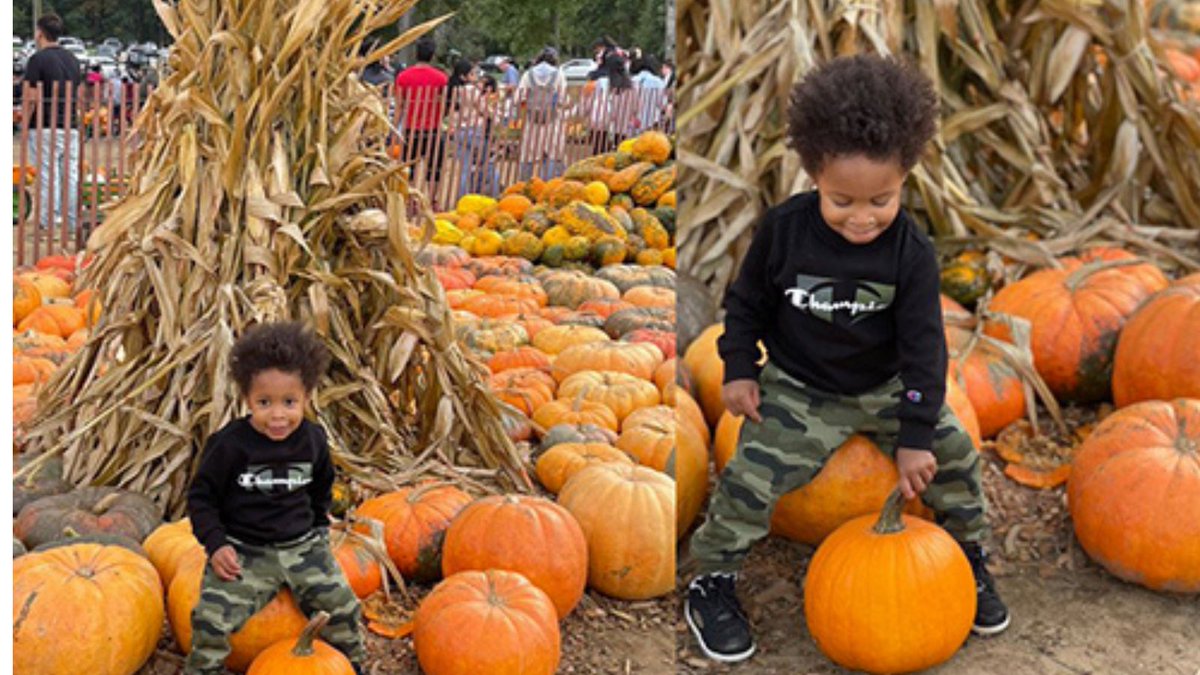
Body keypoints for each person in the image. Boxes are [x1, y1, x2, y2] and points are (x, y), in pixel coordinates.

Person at [683, 54, 1010, 663]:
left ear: (906, 176)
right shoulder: (783, 232)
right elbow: (746, 303)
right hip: (802, 388)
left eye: (880, 200)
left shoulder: (910, 252)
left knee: (959, 455)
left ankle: (969, 557)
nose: (862, 219)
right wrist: (739, 370)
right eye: (842, 201)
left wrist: (916, 434)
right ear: (812, 173)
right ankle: (712, 579)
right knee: (751, 475)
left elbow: (924, 350)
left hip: (886, 386)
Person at [185, 322, 366, 675]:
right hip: (245, 551)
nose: (278, 415)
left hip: (303, 548)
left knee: (343, 605)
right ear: (247, 399)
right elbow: (201, 498)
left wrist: (318, 527)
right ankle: (203, 671)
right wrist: (216, 543)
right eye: (264, 403)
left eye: (289, 402)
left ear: (307, 397)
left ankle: (351, 665)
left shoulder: (313, 440)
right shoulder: (230, 445)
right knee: (210, 617)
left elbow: (321, 486)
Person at [22, 14, 82, 234]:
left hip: (45, 124)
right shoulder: (73, 59)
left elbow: (31, 95)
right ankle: (72, 218)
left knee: (48, 173)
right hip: (70, 124)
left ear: (40, 32)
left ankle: (49, 218)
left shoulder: (38, 59)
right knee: (70, 172)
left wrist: (25, 122)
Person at [394, 35, 449, 194]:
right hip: (433, 130)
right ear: (432, 55)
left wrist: (394, 129)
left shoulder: (403, 77)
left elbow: (399, 107)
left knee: (408, 169)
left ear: (415, 54)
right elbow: (445, 105)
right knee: (434, 171)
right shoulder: (440, 78)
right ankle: (431, 201)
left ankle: (409, 200)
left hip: (410, 130)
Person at [516, 47, 568, 180]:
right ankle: (549, 186)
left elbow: (518, 97)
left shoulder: (529, 74)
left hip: (532, 121)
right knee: (553, 154)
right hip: (553, 121)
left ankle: (525, 186)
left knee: (529, 155)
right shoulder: (558, 74)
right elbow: (563, 99)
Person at [587, 50, 636, 154]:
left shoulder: (602, 83)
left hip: (603, 130)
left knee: (600, 157)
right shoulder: (631, 86)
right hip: (624, 131)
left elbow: (592, 105)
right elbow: (635, 108)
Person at [631, 54, 667, 132]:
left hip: (635, 121)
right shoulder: (659, 82)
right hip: (652, 121)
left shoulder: (633, 80)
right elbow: (662, 104)